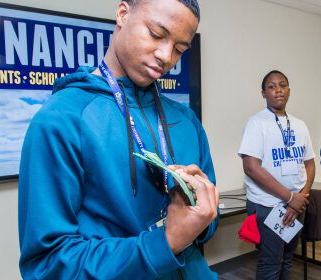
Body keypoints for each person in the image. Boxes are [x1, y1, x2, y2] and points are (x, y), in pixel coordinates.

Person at [18, 0, 220, 279]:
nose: (166, 56)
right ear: (123, 14)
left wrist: (201, 215)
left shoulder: (187, 120)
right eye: (156, 34)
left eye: (179, 49)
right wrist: (165, 242)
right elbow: (48, 264)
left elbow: (211, 218)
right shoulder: (62, 119)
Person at [239, 70, 315, 280]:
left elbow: (309, 163)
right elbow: (251, 167)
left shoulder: (300, 124)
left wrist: (301, 197)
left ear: (289, 90)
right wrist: (290, 198)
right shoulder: (256, 123)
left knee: (288, 257)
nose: (278, 90)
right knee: (271, 262)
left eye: (282, 85)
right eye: (271, 86)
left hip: (298, 205)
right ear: (263, 93)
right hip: (269, 205)